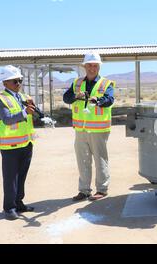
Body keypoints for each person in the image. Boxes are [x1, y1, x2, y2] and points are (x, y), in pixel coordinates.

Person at [63, 52, 115, 201]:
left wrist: (97, 100)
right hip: (81, 130)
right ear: (84, 66)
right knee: (83, 160)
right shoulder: (77, 83)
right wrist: (76, 96)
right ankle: (84, 190)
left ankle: (102, 189)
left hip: (99, 130)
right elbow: (66, 98)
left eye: (95, 65)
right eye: (90, 65)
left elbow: (110, 99)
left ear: (99, 67)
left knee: (100, 160)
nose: (92, 68)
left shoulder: (106, 84)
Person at [0, 65, 36, 220]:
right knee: (11, 178)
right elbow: (7, 119)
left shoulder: (22, 97)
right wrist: (24, 112)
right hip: (10, 147)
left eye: (20, 80)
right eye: (14, 81)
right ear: (5, 83)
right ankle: (9, 208)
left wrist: (33, 110)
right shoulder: (0, 100)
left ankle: (18, 202)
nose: (18, 83)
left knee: (21, 176)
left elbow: (29, 117)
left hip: (26, 143)